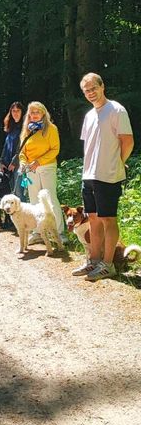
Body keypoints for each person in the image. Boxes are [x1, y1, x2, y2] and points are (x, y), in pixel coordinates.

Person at [72, 73, 134, 281]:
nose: (90, 93)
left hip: (108, 174)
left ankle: (108, 265)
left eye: (93, 88)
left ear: (102, 86)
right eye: (86, 90)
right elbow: (89, 145)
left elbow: (127, 141)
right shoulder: (89, 115)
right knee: (93, 219)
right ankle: (93, 261)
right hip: (89, 174)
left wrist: (119, 162)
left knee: (108, 218)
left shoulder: (116, 110)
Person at [18, 101, 66, 242]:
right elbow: (22, 151)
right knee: (34, 200)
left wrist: (38, 162)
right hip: (30, 170)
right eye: (31, 112)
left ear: (43, 113)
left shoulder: (51, 128)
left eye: (37, 112)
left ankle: (59, 233)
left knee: (50, 199)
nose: (34, 115)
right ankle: (38, 232)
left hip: (47, 167)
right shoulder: (27, 129)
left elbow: (55, 149)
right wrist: (23, 162)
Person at [0, 102, 24, 197]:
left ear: (22, 112)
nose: (15, 113)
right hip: (8, 165)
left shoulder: (25, 127)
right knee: (12, 194)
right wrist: (1, 161)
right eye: (13, 111)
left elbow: (23, 147)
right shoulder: (11, 127)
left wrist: (14, 162)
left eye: (18, 111)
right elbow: (6, 145)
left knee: (19, 192)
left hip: (20, 164)